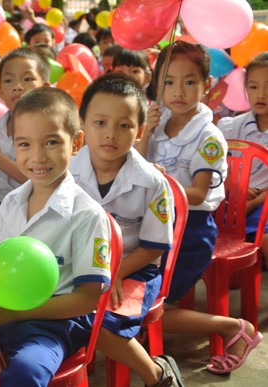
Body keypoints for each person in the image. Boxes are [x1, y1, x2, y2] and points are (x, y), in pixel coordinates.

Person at [0, 87, 110, 386]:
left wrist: (16, 313)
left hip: (52, 324)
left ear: (76, 143)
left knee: (26, 372)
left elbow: (87, 299)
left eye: (52, 142)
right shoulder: (12, 201)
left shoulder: (87, 215)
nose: (37, 157)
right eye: (24, 144)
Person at [137, 41, 262, 374]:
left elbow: (197, 192)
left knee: (145, 308)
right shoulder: (159, 127)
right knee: (133, 303)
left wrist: (163, 183)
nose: (178, 91)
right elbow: (136, 168)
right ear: (156, 85)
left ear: (206, 86)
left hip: (190, 234)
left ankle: (233, 328)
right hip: (157, 228)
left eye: (189, 81)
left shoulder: (208, 135)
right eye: (168, 81)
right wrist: (146, 132)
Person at [71, 73, 183, 386]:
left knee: (100, 325)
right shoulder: (66, 172)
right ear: (83, 124)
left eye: (124, 125)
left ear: (140, 131)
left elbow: (154, 247)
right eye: (100, 122)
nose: (111, 134)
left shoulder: (151, 181)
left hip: (135, 267)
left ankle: (157, 375)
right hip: (80, 265)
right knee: (58, 313)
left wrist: (116, 271)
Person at [0, 47, 49, 243]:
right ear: (1, 91)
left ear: (45, 87)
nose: (18, 86)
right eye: (8, 80)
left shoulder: (48, 131)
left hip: (29, 217)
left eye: (28, 79)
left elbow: (37, 179)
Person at [217, 52, 268, 264]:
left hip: (263, 203)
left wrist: (256, 201)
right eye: (254, 87)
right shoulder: (230, 126)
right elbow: (216, 168)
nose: (261, 94)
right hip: (228, 201)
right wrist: (234, 187)